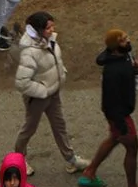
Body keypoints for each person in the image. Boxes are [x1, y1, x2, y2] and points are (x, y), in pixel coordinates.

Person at [75, 28, 138, 187]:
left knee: (113, 139)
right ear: (116, 47)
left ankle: (90, 172)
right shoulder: (113, 71)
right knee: (132, 148)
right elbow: (111, 101)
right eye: (124, 40)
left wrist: (134, 69)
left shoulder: (121, 56)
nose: (128, 41)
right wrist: (121, 124)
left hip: (118, 114)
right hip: (120, 115)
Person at [13, 12, 85, 174]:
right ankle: (18, 159)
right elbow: (22, 82)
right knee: (29, 129)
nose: (52, 29)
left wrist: (60, 75)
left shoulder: (49, 41)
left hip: (53, 93)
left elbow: (55, 61)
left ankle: (71, 159)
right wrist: (43, 91)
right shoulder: (29, 52)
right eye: (48, 27)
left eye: (52, 25)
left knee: (60, 126)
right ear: (38, 30)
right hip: (38, 98)